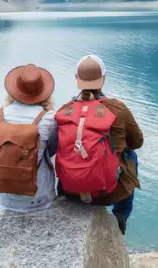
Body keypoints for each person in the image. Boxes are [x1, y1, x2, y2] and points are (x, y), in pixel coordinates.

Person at [54, 55, 144, 235]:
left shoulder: (64, 111)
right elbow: (137, 142)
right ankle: (120, 215)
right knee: (131, 155)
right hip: (107, 193)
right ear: (103, 79)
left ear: (76, 79)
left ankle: (64, 197)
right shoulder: (117, 107)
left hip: (70, 191)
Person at [0, 63, 59, 213]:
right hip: (38, 198)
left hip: (3, 198)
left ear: (15, 91)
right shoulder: (48, 119)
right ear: (43, 92)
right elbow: (51, 151)